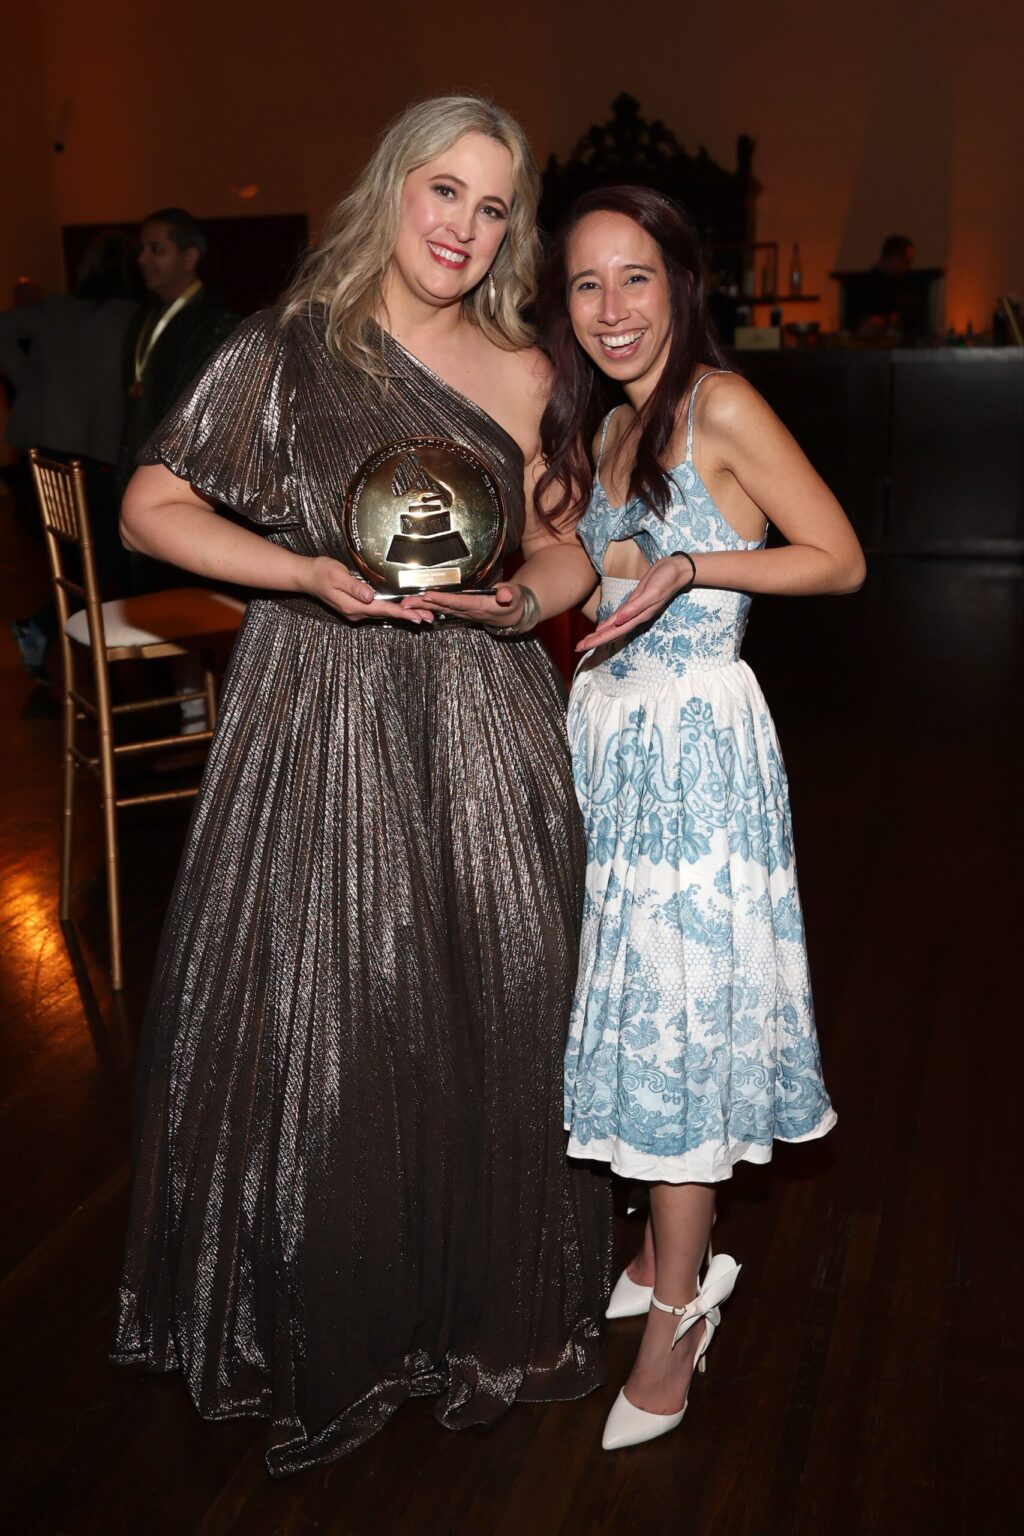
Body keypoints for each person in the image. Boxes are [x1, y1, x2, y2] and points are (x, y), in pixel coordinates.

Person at [112, 95, 611, 1475]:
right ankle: (334, 1314)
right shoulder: (288, 347)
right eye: (444, 190)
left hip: (482, 715)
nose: (464, 226)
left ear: (512, 232)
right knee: (326, 1011)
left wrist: (524, 603)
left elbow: (568, 547)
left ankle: (477, 1308)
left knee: (499, 999)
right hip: (316, 709)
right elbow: (151, 504)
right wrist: (300, 572)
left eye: (494, 207)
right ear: (393, 189)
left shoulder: (525, 365)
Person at [534, 185, 865, 1451]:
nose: (611, 306)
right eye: (585, 282)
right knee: (632, 1004)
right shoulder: (615, 422)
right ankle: (665, 1251)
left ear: (679, 283)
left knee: (675, 1023)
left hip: (694, 759)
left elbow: (836, 557)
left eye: (635, 277)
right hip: (613, 746)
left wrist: (689, 567)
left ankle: (682, 1312)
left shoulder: (720, 404)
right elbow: (586, 566)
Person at [0, 232, 140, 671]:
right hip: (96, 457)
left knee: (85, 555)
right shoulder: (133, 317)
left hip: (50, 451)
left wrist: (28, 385)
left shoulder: (56, 310)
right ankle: (77, 638)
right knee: (108, 555)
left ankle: (55, 632)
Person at [118, 207, 238, 589]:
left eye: (156, 249)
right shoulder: (146, 315)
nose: (143, 259)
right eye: (142, 249)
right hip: (139, 472)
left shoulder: (216, 321)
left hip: (183, 490)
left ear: (189, 257)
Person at [843, 234, 923, 339]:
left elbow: (913, 320)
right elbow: (853, 322)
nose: (906, 268)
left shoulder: (908, 285)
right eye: (906, 262)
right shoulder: (862, 285)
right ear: (894, 257)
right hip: (870, 345)